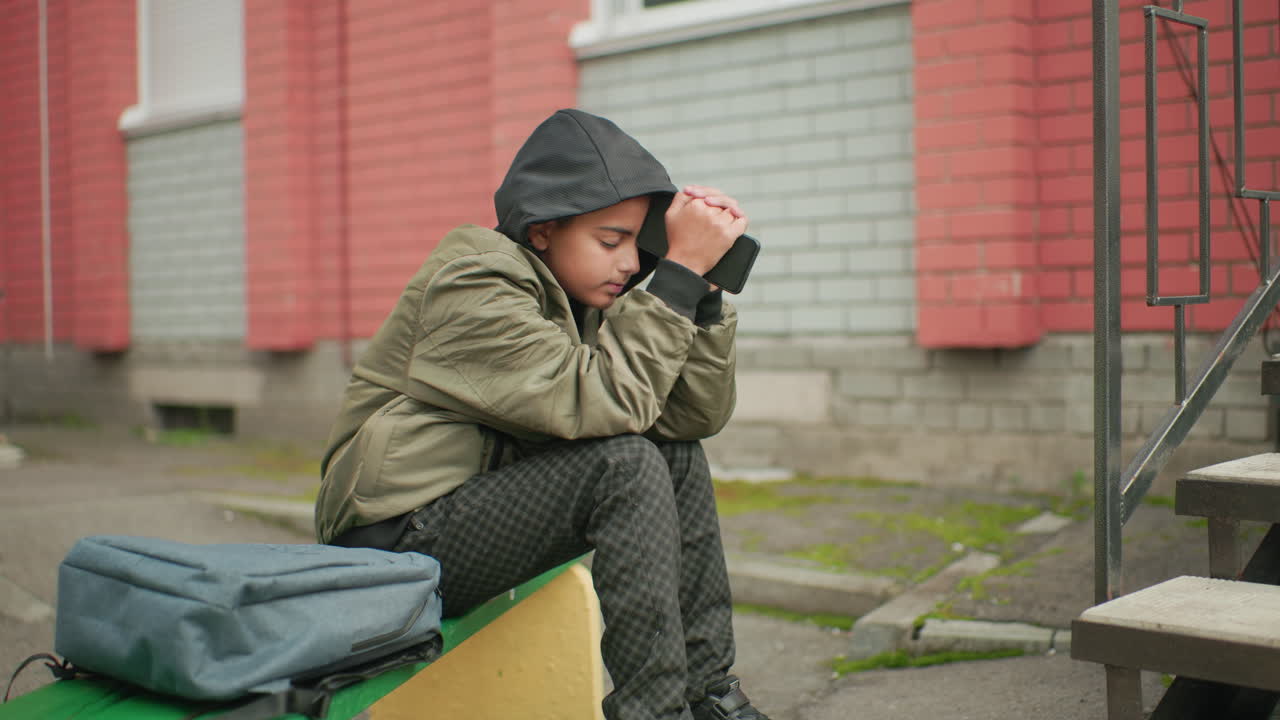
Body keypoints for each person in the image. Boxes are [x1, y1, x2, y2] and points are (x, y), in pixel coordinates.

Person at [314, 108, 767, 720]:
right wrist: (677, 275)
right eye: (611, 241)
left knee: (672, 455)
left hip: (474, 510)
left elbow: (686, 421)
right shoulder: (472, 284)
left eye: (640, 243)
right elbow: (608, 402)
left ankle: (708, 696)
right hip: (393, 537)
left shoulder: (575, 295)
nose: (632, 263)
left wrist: (703, 299)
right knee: (625, 465)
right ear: (543, 230)